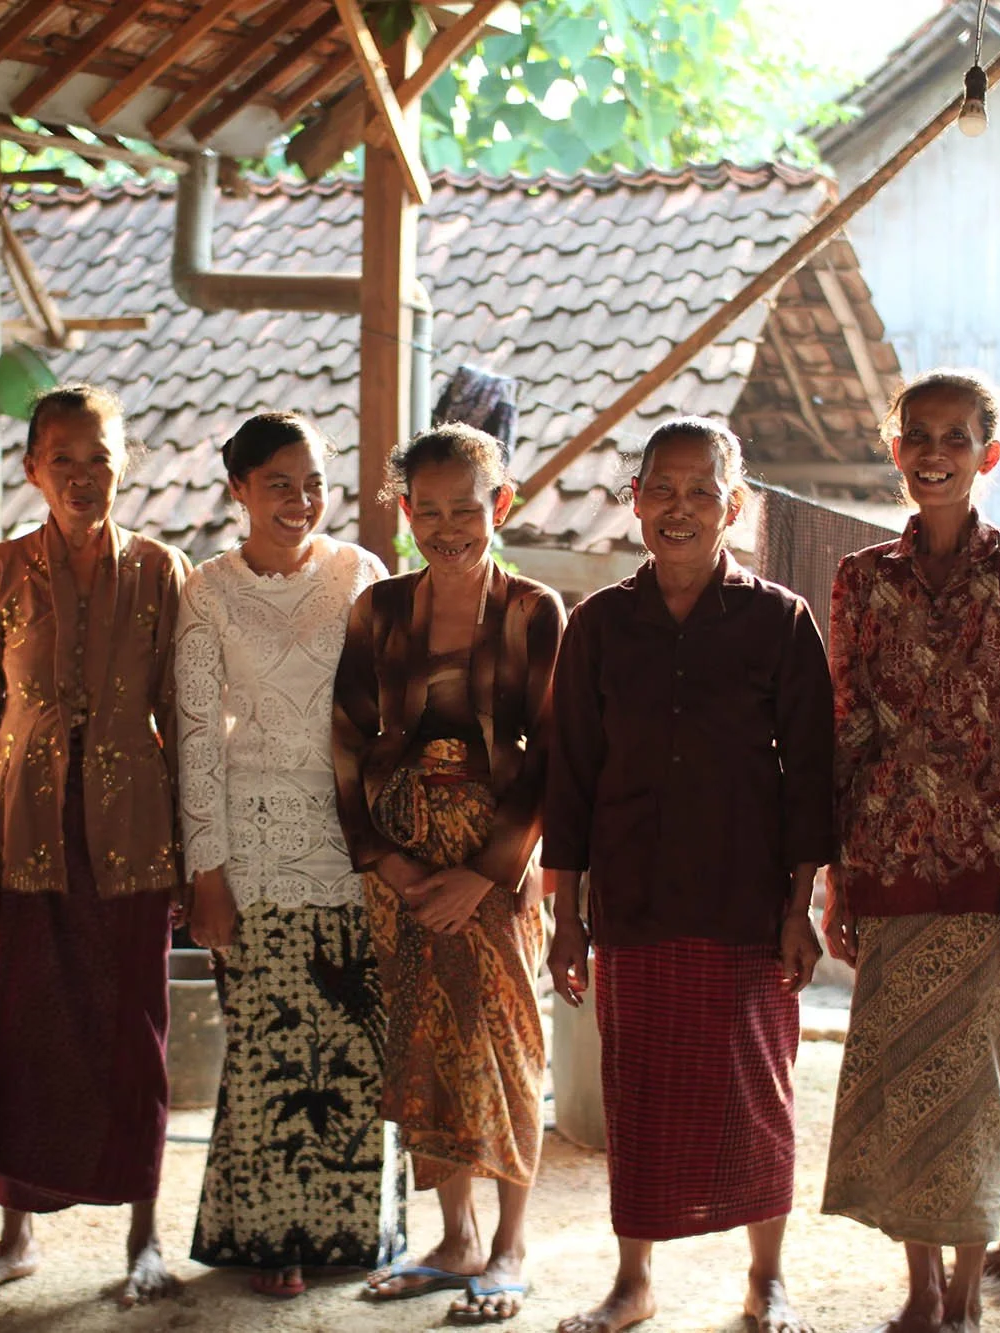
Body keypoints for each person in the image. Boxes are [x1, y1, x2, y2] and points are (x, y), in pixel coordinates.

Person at [543, 417, 832, 1333]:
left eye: (700, 491)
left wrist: (800, 905)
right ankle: (634, 1283)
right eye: (660, 490)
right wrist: (567, 916)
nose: (679, 508)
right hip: (633, 900)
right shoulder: (596, 626)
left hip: (745, 904)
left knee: (758, 1092)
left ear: (733, 506)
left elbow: (811, 778)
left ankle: (767, 1279)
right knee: (642, 1097)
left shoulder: (780, 621)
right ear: (635, 503)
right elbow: (571, 778)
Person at [819, 370, 1000, 1333]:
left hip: (986, 866)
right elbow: (844, 732)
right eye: (917, 436)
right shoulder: (862, 578)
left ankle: (964, 1297)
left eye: (955, 438)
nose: (934, 453)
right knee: (895, 1080)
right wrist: (838, 878)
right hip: (885, 861)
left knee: (968, 1088)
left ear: (987, 455)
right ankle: (920, 1289)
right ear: (896, 451)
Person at [0, 384, 188, 1309]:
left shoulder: (162, 571)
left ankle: (144, 1233)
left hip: (130, 835)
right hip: (24, 831)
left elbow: (185, 722)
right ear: (33, 468)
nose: (84, 477)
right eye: (64, 460)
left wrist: (197, 859)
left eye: (101, 459)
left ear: (124, 464)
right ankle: (18, 1236)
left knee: (138, 1032)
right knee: (22, 1031)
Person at [332, 423, 564, 1325]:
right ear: (405, 513)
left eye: (466, 508)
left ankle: (509, 1244)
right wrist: (386, 861)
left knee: (505, 1045)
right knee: (426, 1047)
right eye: (426, 510)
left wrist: (488, 873)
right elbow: (348, 746)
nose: (447, 527)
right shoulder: (380, 610)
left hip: (494, 878)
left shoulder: (535, 609)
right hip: (400, 875)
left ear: (498, 506)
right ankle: (455, 1235)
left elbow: (551, 753)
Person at [177, 413, 401, 1294]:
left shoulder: (361, 573)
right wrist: (208, 873)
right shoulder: (208, 590)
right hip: (255, 846)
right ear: (238, 488)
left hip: (355, 845)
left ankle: (352, 1232)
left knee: (355, 1041)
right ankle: (272, 1234)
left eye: (313, 482)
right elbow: (197, 737)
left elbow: (390, 713)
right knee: (270, 1044)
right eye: (279, 483)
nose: (301, 501)